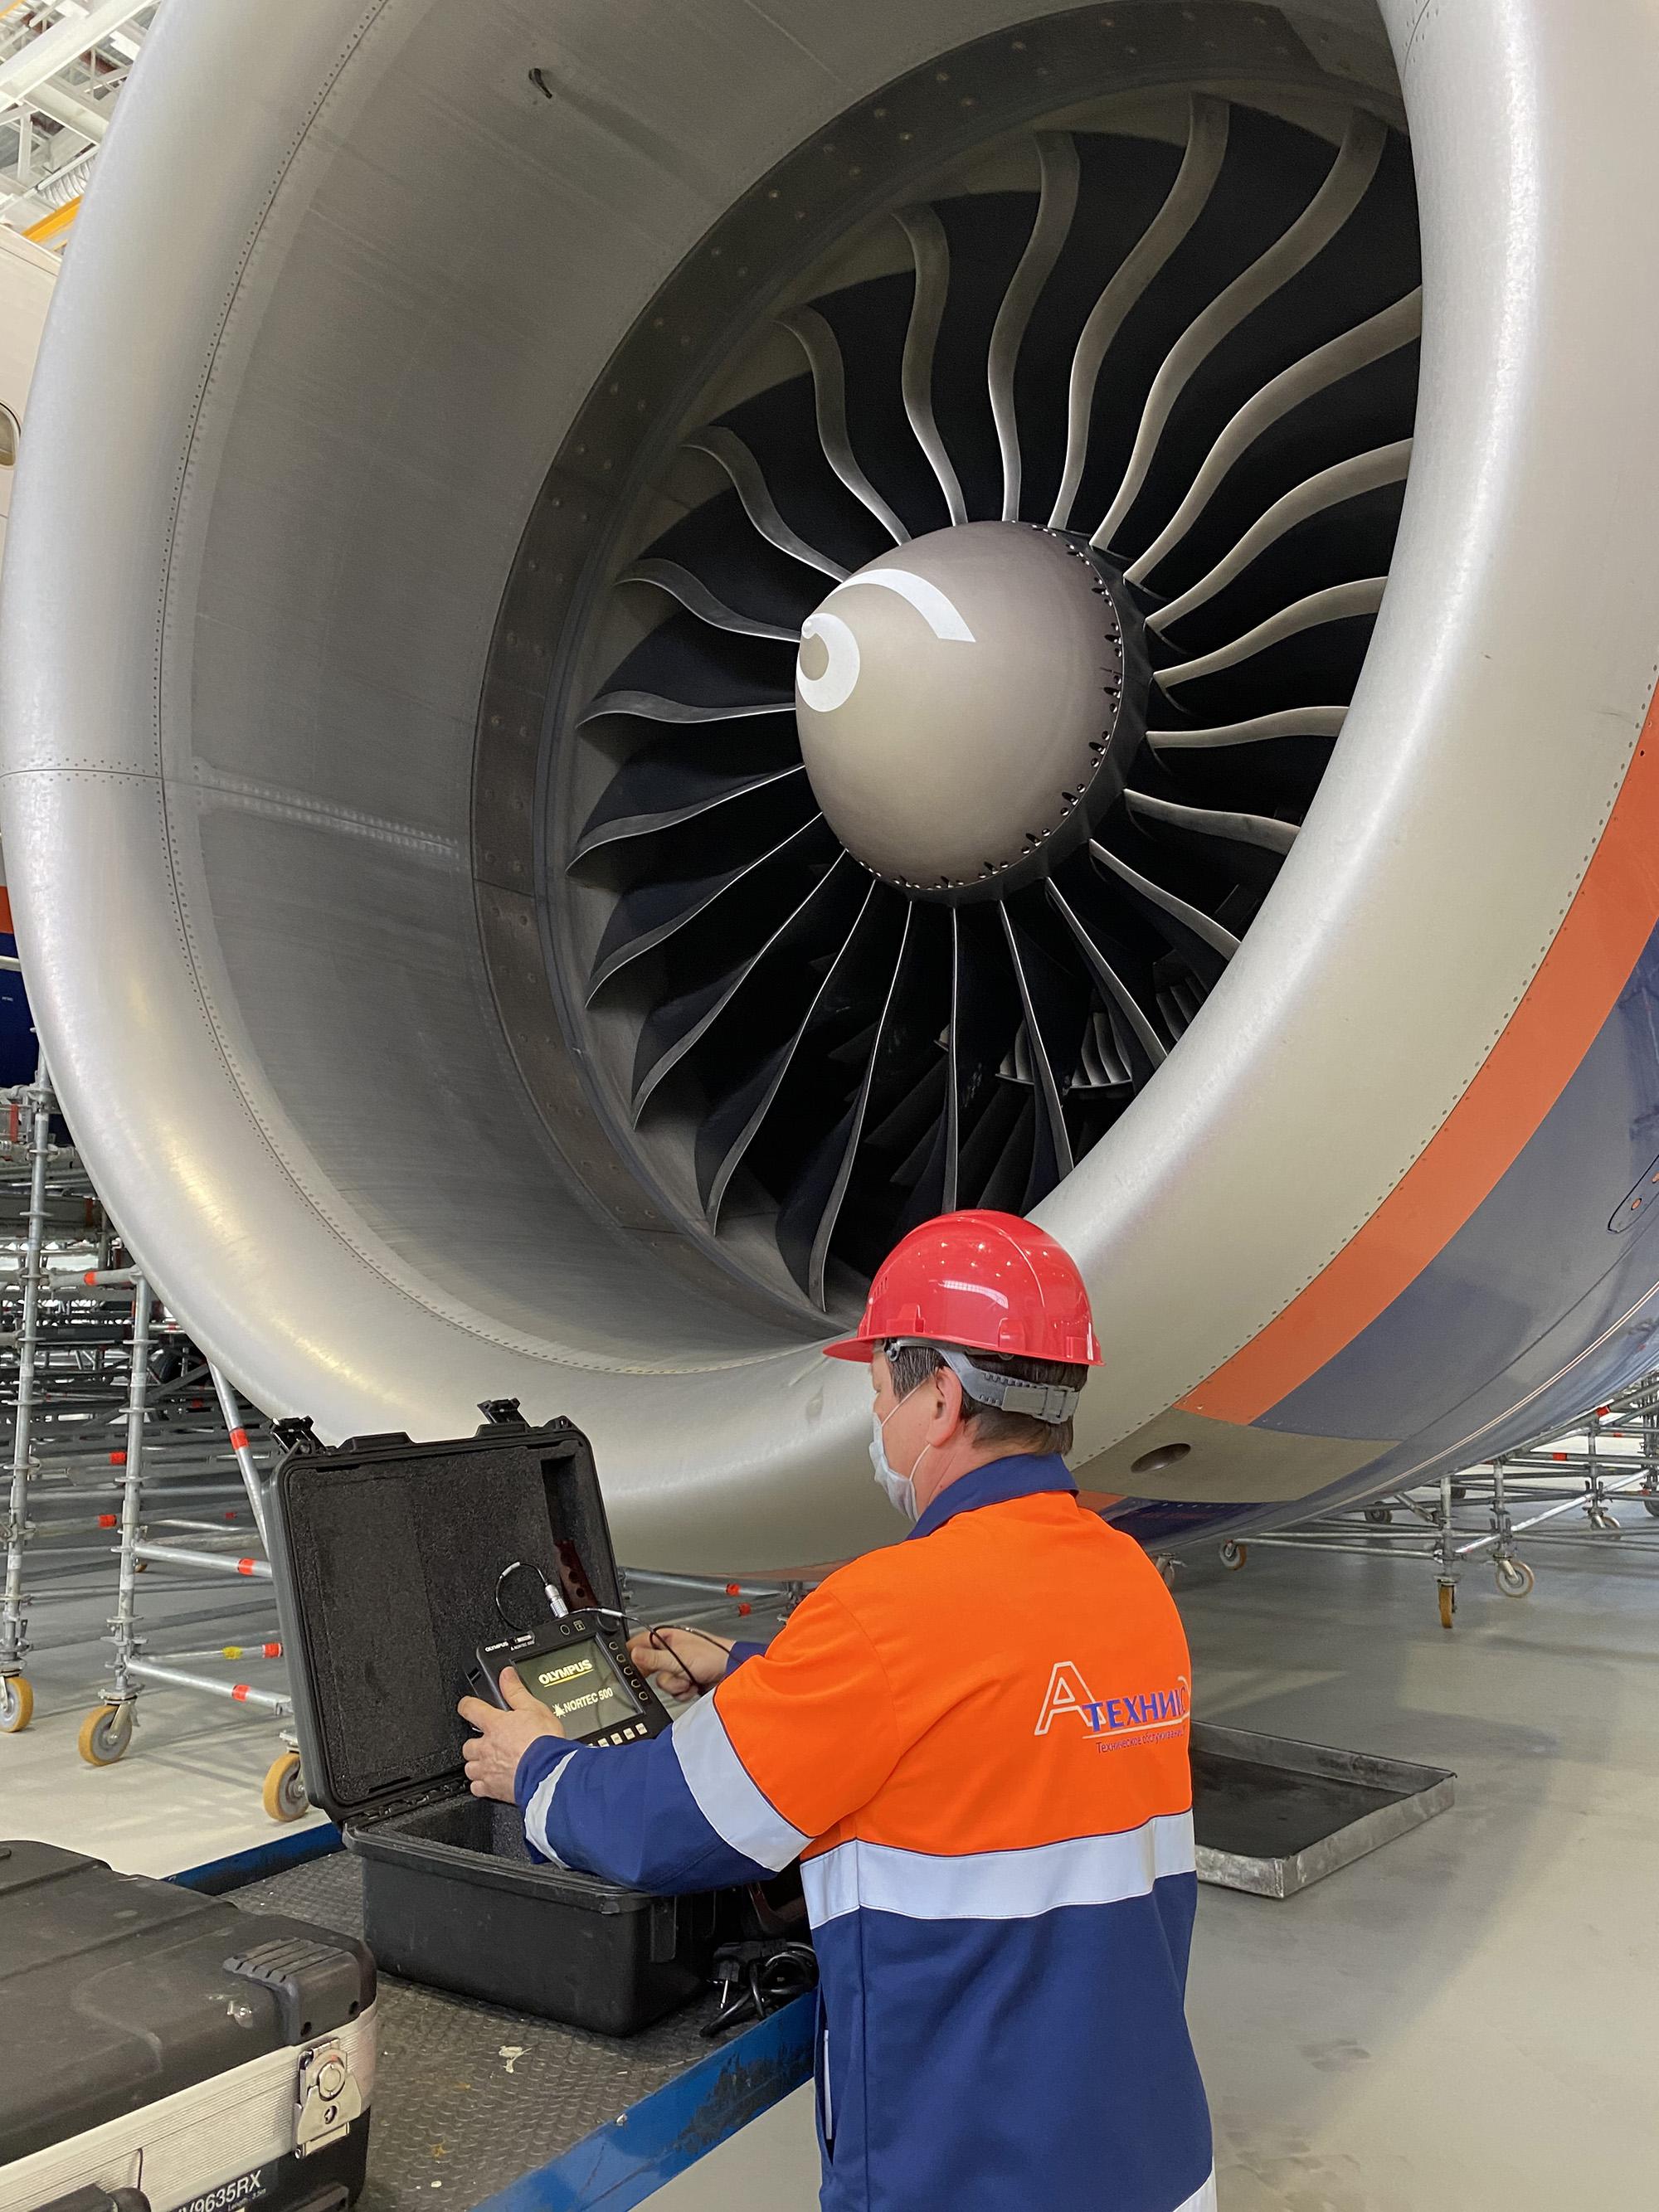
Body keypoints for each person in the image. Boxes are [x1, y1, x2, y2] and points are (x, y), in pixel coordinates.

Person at [460, 1208, 1213, 2212]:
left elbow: (665, 1824)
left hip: (970, 2174)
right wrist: (749, 1668)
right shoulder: (1127, 1583)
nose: (877, 1425)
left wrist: (539, 1767)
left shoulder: (887, 1612)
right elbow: (979, 1704)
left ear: (938, 1396)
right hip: (1147, 2159)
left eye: (878, 1393)